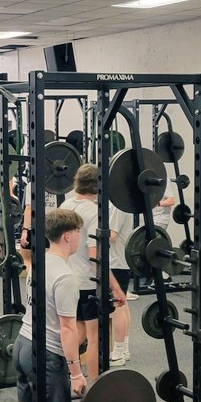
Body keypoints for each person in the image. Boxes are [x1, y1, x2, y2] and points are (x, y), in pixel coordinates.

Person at [10, 209, 88, 402]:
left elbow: (24, 249)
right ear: (67, 236)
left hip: (22, 342)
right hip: (47, 353)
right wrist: (76, 373)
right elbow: (67, 330)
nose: (81, 237)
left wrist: (29, 217)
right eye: (78, 232)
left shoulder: (37, 263)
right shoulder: (66, 276)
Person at [62, 164, 126, 382]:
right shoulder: (95, 212)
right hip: (88, 285)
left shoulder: (66, 205)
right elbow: (94, 255)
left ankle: (60, 372)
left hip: (67, 281)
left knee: (76, 331)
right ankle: (95, 387)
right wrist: (115, 286)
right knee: (94, 337)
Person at [109, 203, 132, 365]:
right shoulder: (118, 202)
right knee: (122, 305)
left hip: (116, 262)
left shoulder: (117, 205)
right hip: (118, 260)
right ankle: (124, 348)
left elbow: (111, 235)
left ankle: (118, 352)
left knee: (117, 307)